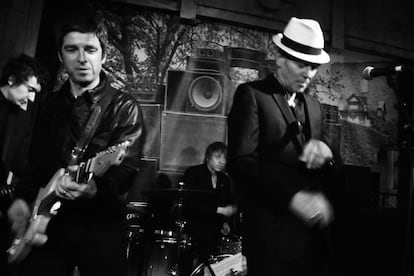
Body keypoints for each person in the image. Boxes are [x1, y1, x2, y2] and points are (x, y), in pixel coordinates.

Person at [7, 10, 143, 276]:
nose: (82, 59)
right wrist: (23, 200)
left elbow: (125, 171)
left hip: (99, 227)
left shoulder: (124, 107)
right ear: (60, 55)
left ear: (103, 55)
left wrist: (96, 189)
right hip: (49, 224)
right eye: (72, 49)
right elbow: (34, 162)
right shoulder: (49, 105)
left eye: (90, 49)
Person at [227, 17, 341, 276]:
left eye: (313, 67)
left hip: (313, 241)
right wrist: (293, 197)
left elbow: (331, 171)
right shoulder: (252, 95)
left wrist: (329, 156)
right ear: (279, 58)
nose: (308, 74)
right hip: (270, 239)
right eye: (301, 64)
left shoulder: (314, 107)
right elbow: (240, 162)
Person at [0, 54, 44, 276]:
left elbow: (19, 161)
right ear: (10, 80)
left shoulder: (22, 115)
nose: (32, 98)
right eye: (29, 89)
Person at [182, 142, 237, 263]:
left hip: (214, 232)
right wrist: (220, 210)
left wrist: (225, 223)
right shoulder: (193, 173)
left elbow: (226, 201)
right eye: (218, 157)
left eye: (225, 158)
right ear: (207, 157)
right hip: (194, 227)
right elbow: (192, 201)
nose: (222, 161)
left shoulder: (224, 179)